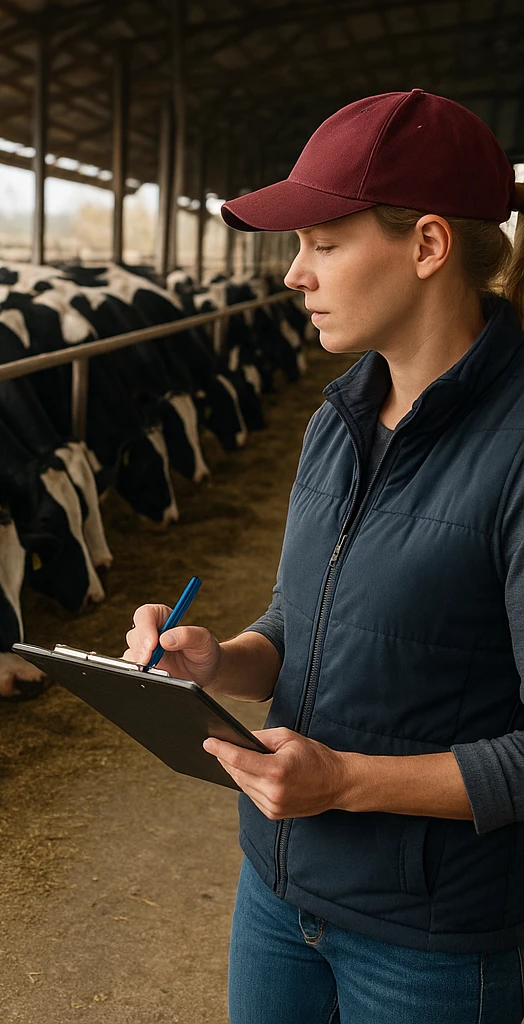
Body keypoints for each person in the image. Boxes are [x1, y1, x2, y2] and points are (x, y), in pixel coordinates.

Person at [122, 89, 524, 1024]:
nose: (294, 277)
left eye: (324, 244)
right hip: (277, 894)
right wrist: (220, 659)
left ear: (429, 246)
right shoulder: (338, 421)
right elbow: (304, 618)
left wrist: (343, 781)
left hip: (429, 940)